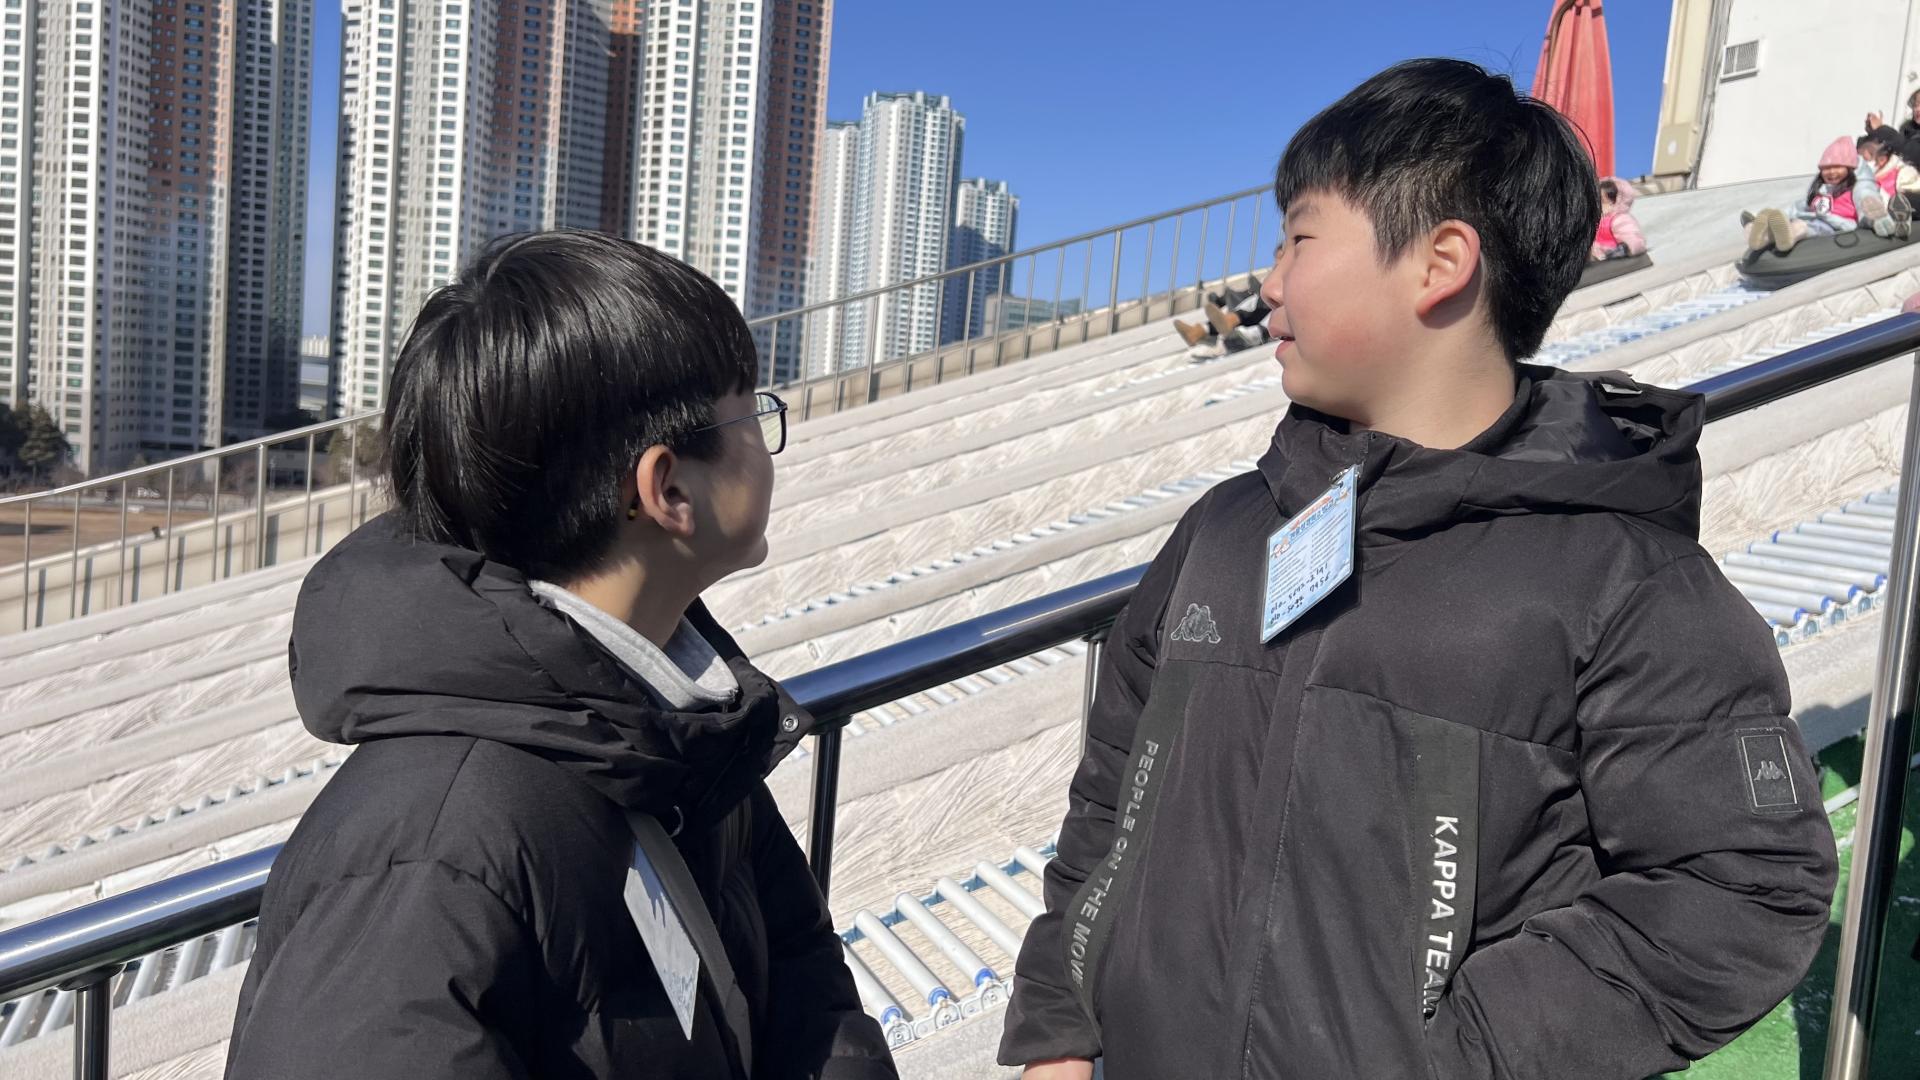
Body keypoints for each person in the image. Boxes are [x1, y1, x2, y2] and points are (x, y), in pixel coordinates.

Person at [1000, 58, 1837, 1080]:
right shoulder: (1225, 529)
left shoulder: (1621, 582)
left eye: (1299, 239)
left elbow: (1745, 885)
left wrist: (1456, 1051)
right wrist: (1061, 1024)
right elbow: (1111, 796)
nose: (1270, 284)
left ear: (1441, 264)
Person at [225, 231, 899, 1080]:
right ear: (668, 488)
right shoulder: (428, 861)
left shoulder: (676, 726)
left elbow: (800, 973)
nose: (768, 443)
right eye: (750, 413)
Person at [1742, 136, 1862, 253]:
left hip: (1829, 227)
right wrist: (1780, 214)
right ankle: (1757, 234)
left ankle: (1787, 238)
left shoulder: (1852, 191)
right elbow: (1798, 207)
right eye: (1826, 168)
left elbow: (1854, 223)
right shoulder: (1820, 191)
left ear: (1849, 169)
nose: (1831, 172)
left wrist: (1826, 217)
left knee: (1801, 226)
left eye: (1837, 167)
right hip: (1809, 220)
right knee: (1792, 220)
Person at [1855, 124, 1920, 237]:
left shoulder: (1904, 174)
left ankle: (1900, 222)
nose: (1861, 162)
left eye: (1868, 156)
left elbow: (1914, 197)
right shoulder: (1858, 177)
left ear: (1883, 159)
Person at [1589, 176, 1647, 261]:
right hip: (1594, 257)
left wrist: (1624, 249)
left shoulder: (1620, 220)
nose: (1598, 206)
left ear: (1615, 202)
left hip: (1611, 258)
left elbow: (1635, 241)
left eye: (1603, 202)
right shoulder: (1594, 220)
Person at [1864, 88, 1920, 163]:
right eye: (1915, 105)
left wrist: (1881, 129)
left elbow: (1913, 152)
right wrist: (1875, 132)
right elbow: (1897, 149)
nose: (1917, 109)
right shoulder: (1908, 129)